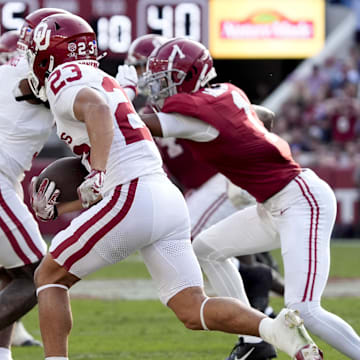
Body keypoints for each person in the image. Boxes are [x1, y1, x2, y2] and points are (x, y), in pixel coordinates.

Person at [27, 13, 323, 360]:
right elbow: (112, 144)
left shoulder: (63, 78)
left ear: (49, 50)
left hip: (132, 194)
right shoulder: (103, 80)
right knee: (191, 308)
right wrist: (63, 204)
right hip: (163, 196)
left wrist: (99, 173)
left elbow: (97, 113)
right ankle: (276, 330)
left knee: (49, 276)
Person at [139, 37, 360, 359]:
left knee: (305, 309)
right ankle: (254, 339)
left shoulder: (196, 115)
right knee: (205, 249)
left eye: (167, 79)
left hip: (301, 201)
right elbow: (265, 116)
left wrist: (111, 100)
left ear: (188, 76)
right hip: (272, 205)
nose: (158, 88)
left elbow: (139, 126)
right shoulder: (225, 95)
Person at [118, 34, 282, 359]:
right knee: (209, 245)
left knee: (193, 242)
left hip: (221, 181)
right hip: (203, 185)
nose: (142, 76)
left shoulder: (191, 102)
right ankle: (259, 298)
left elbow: (259, 115)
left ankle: (256, 306)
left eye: (142, 68)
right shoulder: (163, 108)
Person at [0, 8, 70, 359]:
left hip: (6, 179)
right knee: (40, 275)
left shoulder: (10, 72)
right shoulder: (35, 80)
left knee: (12, 272)